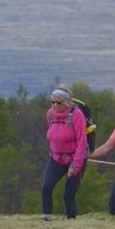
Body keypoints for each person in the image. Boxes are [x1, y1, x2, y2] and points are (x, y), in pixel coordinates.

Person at [41, 87, 88, 220]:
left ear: (67, 102)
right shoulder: (50, 114)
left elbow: (82, 142)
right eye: (52, 102)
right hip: (56, 159)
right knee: (46, 187)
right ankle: (47, 219)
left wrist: (75, 165)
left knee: (68, 194)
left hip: (75, 159)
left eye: (59, 102)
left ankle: (71, 222)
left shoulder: (77, 115)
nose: (55, 105)